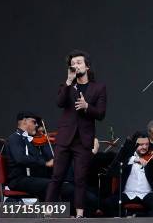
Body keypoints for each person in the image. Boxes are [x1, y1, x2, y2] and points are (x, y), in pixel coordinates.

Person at [46, 50, 107, 218]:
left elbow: (101, 113)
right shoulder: (66, 85)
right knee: (57, 176)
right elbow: (59, 103)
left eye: (79, 62)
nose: (75, 65)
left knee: (80, 179)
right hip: (65, 138)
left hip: (83, 139)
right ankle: (47, 212)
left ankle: (79, 214)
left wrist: (88, 106)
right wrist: (68, 82)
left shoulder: (99, 87)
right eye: (73, 63)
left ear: (87, 66)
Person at [104, 132, 153, 217]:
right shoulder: (126, 157)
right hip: (127, 193)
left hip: (146, 194)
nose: (145, 147)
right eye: (141, 144)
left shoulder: (152, 158)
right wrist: (133, 159)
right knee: (107, 203)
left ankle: (139, 217)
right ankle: (125, 217)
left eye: (146, 144)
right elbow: (112, 171)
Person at [6, 112, 55, 199]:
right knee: (52, 185)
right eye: (34, 122)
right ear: (25, 121)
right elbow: (20, 158)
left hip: (30, 178)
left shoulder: (28, 139)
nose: (36, 125)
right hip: (19, 180)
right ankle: (50, 212)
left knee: (61, 184)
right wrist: (45, 163)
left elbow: (36, 159)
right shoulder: (15, 138)